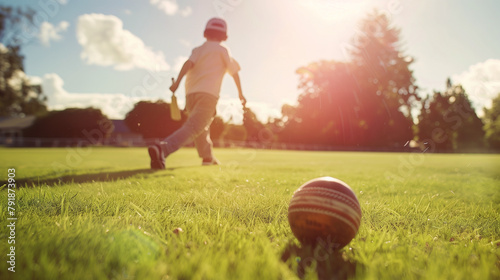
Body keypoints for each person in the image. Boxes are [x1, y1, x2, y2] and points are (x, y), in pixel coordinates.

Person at [148, 17, 246, 170]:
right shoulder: (223, 50)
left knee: (201, 126)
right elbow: (234, 72)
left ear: (206, 33)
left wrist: (176, 83)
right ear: (224, 35)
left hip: (191, 95)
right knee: (195, 126)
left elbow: (188, 64)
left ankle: (208, 157)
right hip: (208, 95)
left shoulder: (198, 50)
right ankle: (162, 149)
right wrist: (241, 94)